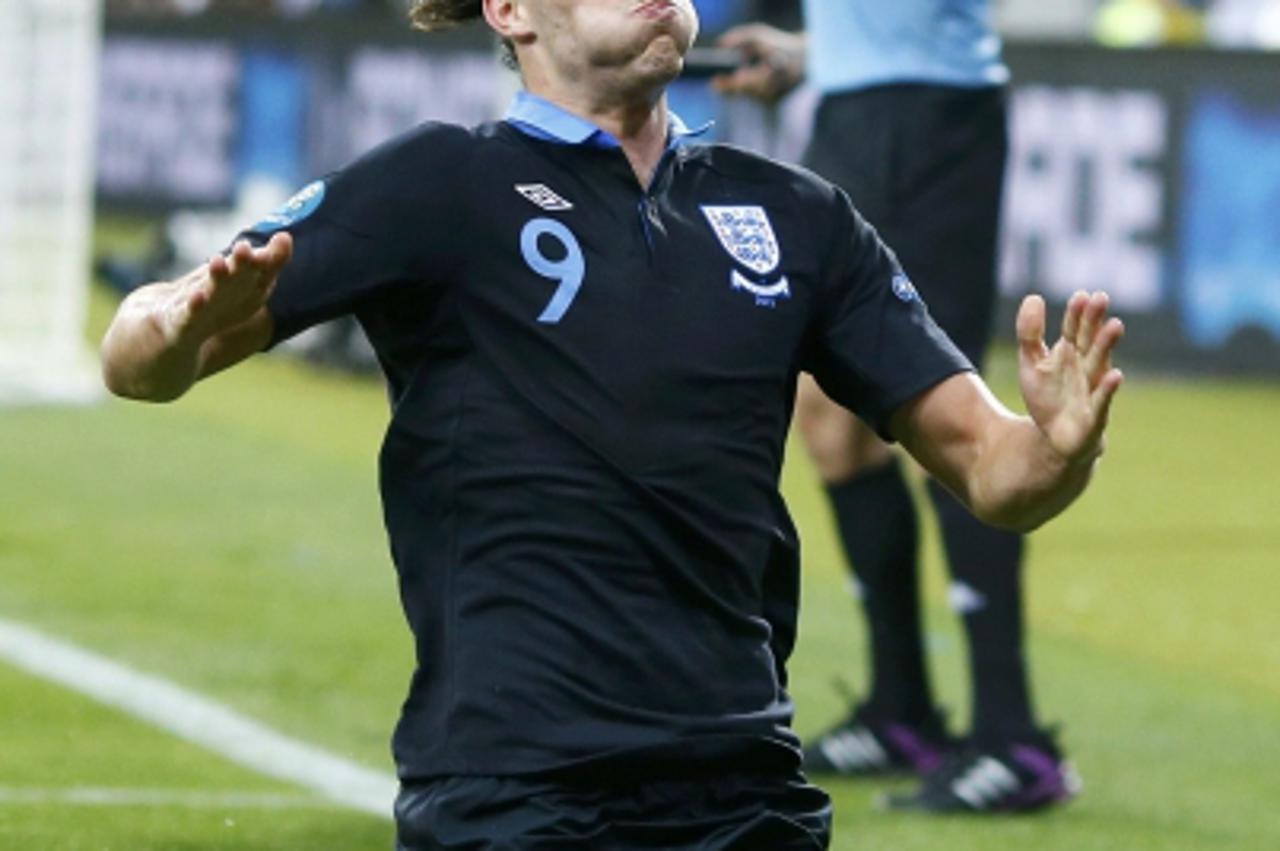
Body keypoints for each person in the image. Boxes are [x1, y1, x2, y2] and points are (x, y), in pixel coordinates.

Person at [99, 0, 1124, 845]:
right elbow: (137, 354)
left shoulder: (798, 216)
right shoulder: (440, 181)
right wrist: (177, 329)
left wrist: (1058, 450)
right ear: (508, 12)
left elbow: (995, 473)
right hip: (515, 788)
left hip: (746, 786)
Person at [713, 1, 1081, 813]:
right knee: (828, 412)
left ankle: (1011, 738)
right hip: (859, 100)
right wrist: (825, 50)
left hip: (927, 113)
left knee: (944, 401)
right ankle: (902, 707)